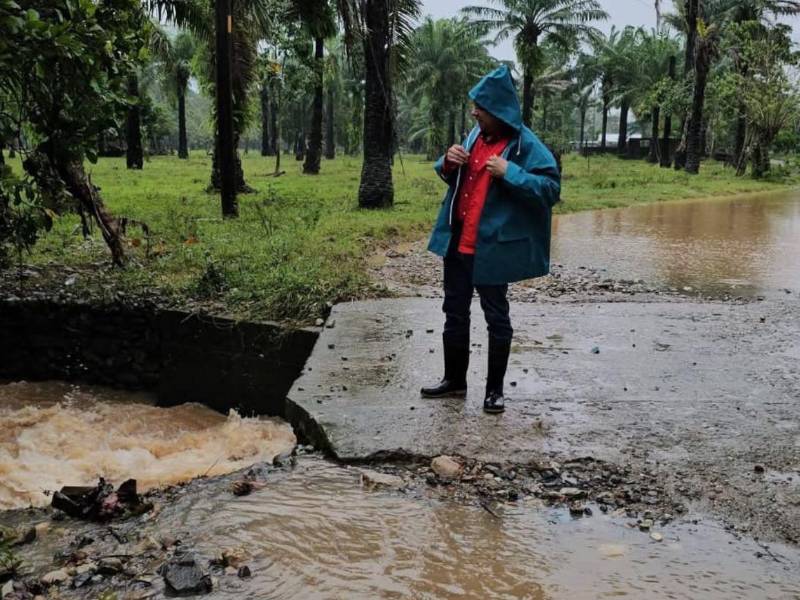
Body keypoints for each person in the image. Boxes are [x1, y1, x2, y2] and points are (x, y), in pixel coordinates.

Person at [421, 64, 561, 414]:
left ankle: (494, 391)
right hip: (457, 245)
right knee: (454, 313)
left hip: (492, 250)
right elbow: (451, 178)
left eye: (479, 107)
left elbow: (550, 189)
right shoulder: (473, 136)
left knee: (496, 318)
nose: (474, 112)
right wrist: (447, 162)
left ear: (497, 110)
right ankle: (455, 381)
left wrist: (509, 172)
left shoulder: (525, 145)